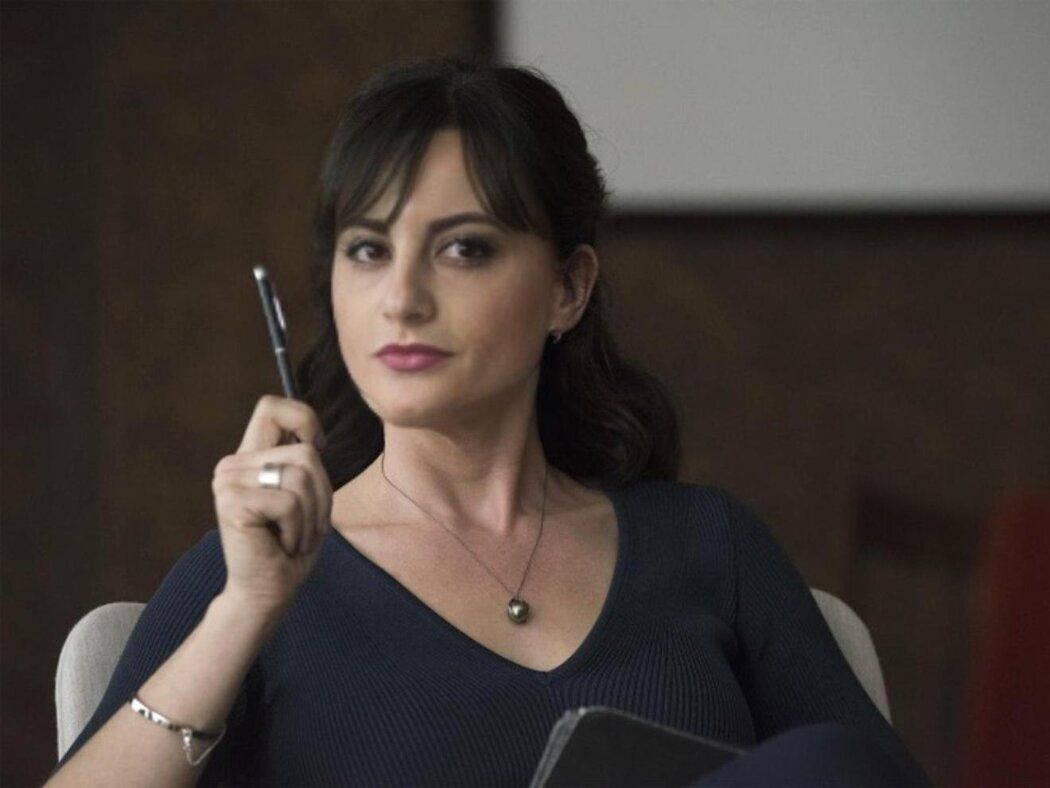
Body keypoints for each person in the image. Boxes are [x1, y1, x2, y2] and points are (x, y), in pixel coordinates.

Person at [47, 56, 931, 787]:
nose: (402, 298)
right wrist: (246, 610)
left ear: (568, 288)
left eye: (464, 249)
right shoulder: (251, 570)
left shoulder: (710, 546)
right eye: (368, 250)